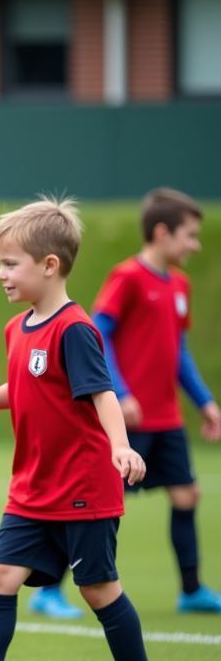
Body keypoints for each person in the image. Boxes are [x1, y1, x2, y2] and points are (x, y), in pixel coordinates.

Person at [0, 198, 162, 661]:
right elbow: (29, 387)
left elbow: (101, 394)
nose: (0, 274)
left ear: (49, 265)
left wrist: (121, 446)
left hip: (83, 485)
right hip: (32, 488)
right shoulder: (19, 329)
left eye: (10, 264)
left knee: (97, 589)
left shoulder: (76, 329)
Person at [91, 187, 220, 613]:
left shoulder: (179, 284)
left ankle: (191, 590)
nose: (195, 245)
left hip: (166, 419)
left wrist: (205, 402)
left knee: (187, 495)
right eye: (190, 235)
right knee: (98, 506)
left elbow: (177, 350)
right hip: (129, 419)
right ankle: (51, 589)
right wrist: (121, 393)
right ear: (162, 233)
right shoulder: (127, 277)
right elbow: (98, 333)